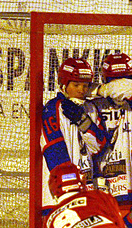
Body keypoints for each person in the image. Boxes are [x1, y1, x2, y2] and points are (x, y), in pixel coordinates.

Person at [41, 57, 107, 212]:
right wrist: (68, 186)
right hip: (57, 196)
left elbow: (98, 146)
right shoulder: (52, 109)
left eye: (85, 85)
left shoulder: (91, 109)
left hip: (86, 191)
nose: (81, 90)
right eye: (76, 84)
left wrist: (83, 122)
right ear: (64, 85)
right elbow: (53, 151)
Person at [90, 52, 132, 214]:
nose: (119, 84)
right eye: (113, 79)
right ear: (105, 78)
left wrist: (99, 89)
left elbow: (123, 88)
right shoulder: (94, 104)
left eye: (125, 78)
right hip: (103, 184)